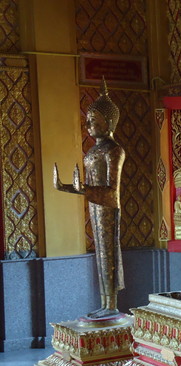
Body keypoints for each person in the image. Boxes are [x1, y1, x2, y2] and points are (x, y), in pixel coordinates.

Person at [53, 79, 125, 319]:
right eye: (88, 120)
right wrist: (67, 187)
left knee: (108, 252)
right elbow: (89, 187)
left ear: (109, 122)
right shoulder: (94, 151)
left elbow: (112, 190)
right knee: (99, 253)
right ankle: (104, 303)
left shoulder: (114, 150)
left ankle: (111, 304)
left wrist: (84, 189)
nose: (88, 125)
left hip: (108, 206)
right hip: (95, 207)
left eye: (94, 120)